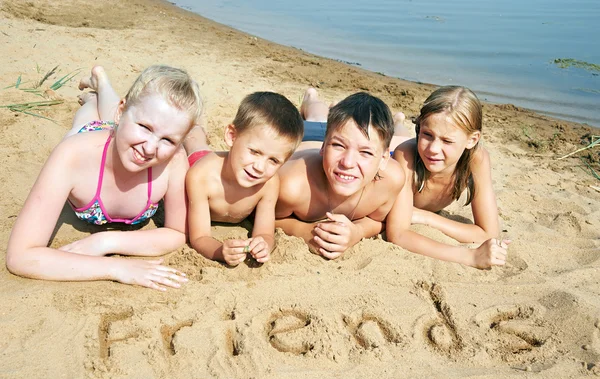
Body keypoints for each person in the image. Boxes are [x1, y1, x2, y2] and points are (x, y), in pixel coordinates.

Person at [6, 65, 202, 291]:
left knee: (123, 127)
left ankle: (102, 83)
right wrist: (116, 267)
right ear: (122, 109)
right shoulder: (72, 155)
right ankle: (97, 91)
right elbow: (20, 256)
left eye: (168, 140)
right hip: (92, 136)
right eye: (145, 127)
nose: (150, 148)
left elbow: (178, 232)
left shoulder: (174, 161)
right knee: (91, 114)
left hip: (120, 135)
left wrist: (105, 242)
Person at [275, 88, 405, 259]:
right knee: (316, 118)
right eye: (338, 146)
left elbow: (377, 220)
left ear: (383, 159)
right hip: (307, 138)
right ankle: (310, 98)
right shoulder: (292, 186)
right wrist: (305, 231)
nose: (348, 162)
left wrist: (358, 232)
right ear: (324, 146)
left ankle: (399, 121)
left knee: (400, 136)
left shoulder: (391, 181)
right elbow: (264, 216)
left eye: (366, 152)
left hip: (341, 132)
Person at [388, 85, 509, 269]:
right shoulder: (406, 155)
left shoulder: (476, 160)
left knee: (400, 136)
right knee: (395, 142)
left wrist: (427, 217)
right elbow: (397, 234)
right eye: (427, 134)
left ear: (472, 140)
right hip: (390, 155)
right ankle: (397, 123)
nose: (434, 149)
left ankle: (398, 121)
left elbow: (489, 233)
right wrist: (469, 256)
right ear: (420, 127)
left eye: (447, 141)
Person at [185, 92, 304, 266]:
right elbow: (199, 237)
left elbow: (265, 232)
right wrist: (219, 251)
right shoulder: (200, 177)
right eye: (255, 152)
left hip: (227, 163)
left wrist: (263, 244)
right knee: (196, 144)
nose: (259, 167)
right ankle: (195, 130)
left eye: (273, 160)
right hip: (202, 161)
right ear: (231, 136)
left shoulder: (269, 183)